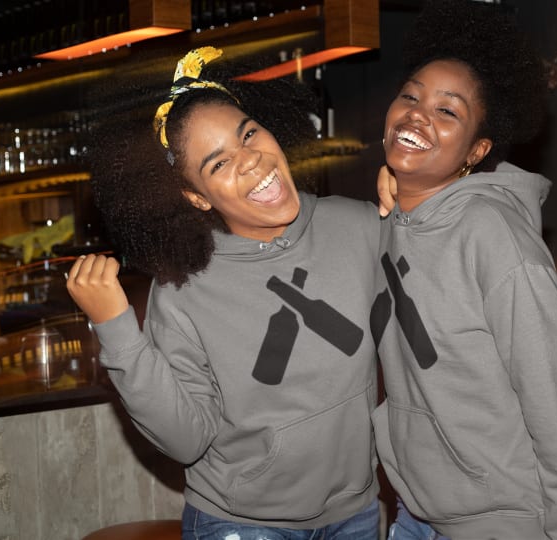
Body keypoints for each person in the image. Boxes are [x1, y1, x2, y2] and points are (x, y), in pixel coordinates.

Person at [66, 46, 382, 540]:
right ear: (195, 196)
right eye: (218, 164)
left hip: (355, 514)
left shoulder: (359, 225)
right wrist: (116, 327)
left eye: (249, 133)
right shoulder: (183, 286)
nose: (252, 160)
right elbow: (186, 440)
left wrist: (421, 198)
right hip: (240, 522)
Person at [370, 1, 557, 539]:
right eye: (410, 95)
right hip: (416, 513)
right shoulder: (384, 222)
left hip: (504, 519)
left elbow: (550, 386)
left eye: (447, 111)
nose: (417, 113)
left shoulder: (493, 234)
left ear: (476, 150)